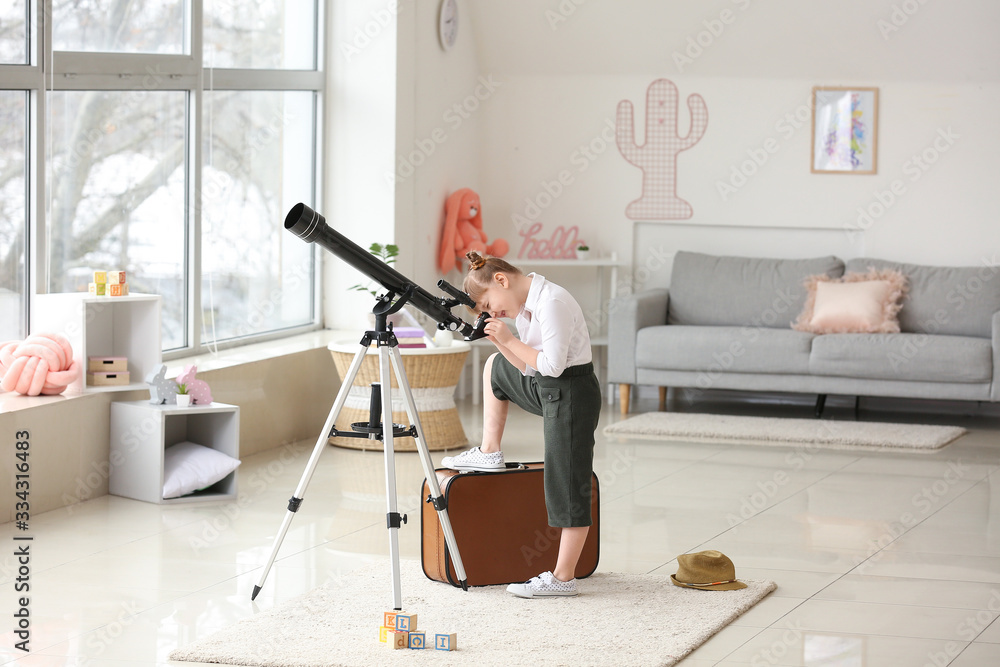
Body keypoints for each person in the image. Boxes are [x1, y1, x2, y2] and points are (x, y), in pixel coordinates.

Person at [440, 251, 602, 598]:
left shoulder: (552, 301)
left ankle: (563, 578)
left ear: (501, 280)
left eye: (488, 304)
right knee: (496, 367)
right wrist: (501, 341)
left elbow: (553, 366)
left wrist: (510, 338)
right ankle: (489, 450)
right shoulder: (526, 307)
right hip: (547, 388)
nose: (491, 313)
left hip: (571, 393)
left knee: (566, 481)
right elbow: (528, 368)